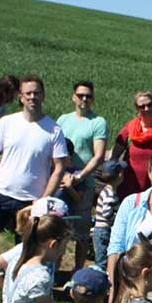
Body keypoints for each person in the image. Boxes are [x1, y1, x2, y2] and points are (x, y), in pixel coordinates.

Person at [0, 75, 68, 265]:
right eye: (28, 93)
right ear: (21, 97)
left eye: (36, 93)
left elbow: (59, 168)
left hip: (31, 202)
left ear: (43, 96)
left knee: (27, 252)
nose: (32, 97)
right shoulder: (7, 122)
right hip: (0, 197)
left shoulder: (54, 130)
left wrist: (42, 200)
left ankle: (16, 282)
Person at [56, 81, 108, 272]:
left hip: (84, 182)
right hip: (61, 180)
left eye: (88, 96)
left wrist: (79, 177)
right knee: (58, 227)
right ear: (73, 97)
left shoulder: (98, 122)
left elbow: (99, 156)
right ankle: (55, 269)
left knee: (81, 231)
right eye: (80, 95)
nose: (84, 99)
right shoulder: (63, 120)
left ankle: (77, 270)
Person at [111, 90, 152, 199]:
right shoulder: (129, 129)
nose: (147, 109)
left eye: (150, 105)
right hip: (128, 189)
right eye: (142, 106)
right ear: (137, 109)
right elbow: (114, 156)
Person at [91, 160, 127, 271]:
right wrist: (117, 221)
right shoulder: (110, 194)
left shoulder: (107, 191)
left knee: (103, 259)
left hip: (102, 231)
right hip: (103, 231)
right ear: (120, 175)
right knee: (102, 262)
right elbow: (106, 213)